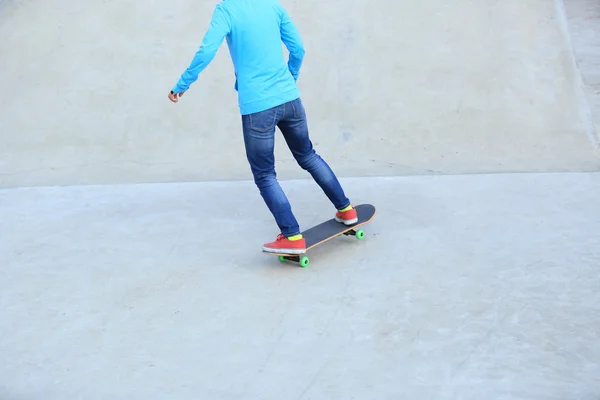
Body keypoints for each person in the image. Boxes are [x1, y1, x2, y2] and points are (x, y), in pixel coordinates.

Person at [168, 0, 357, 255]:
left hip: (258, 107)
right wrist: (290, 78)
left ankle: (291, 236)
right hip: (290, 99)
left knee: (265, 175)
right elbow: (298, 49)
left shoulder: (226, 10)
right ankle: (347, 211)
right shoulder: (273, 5)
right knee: (308, 156)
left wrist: (182, 84)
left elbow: (206, 51)